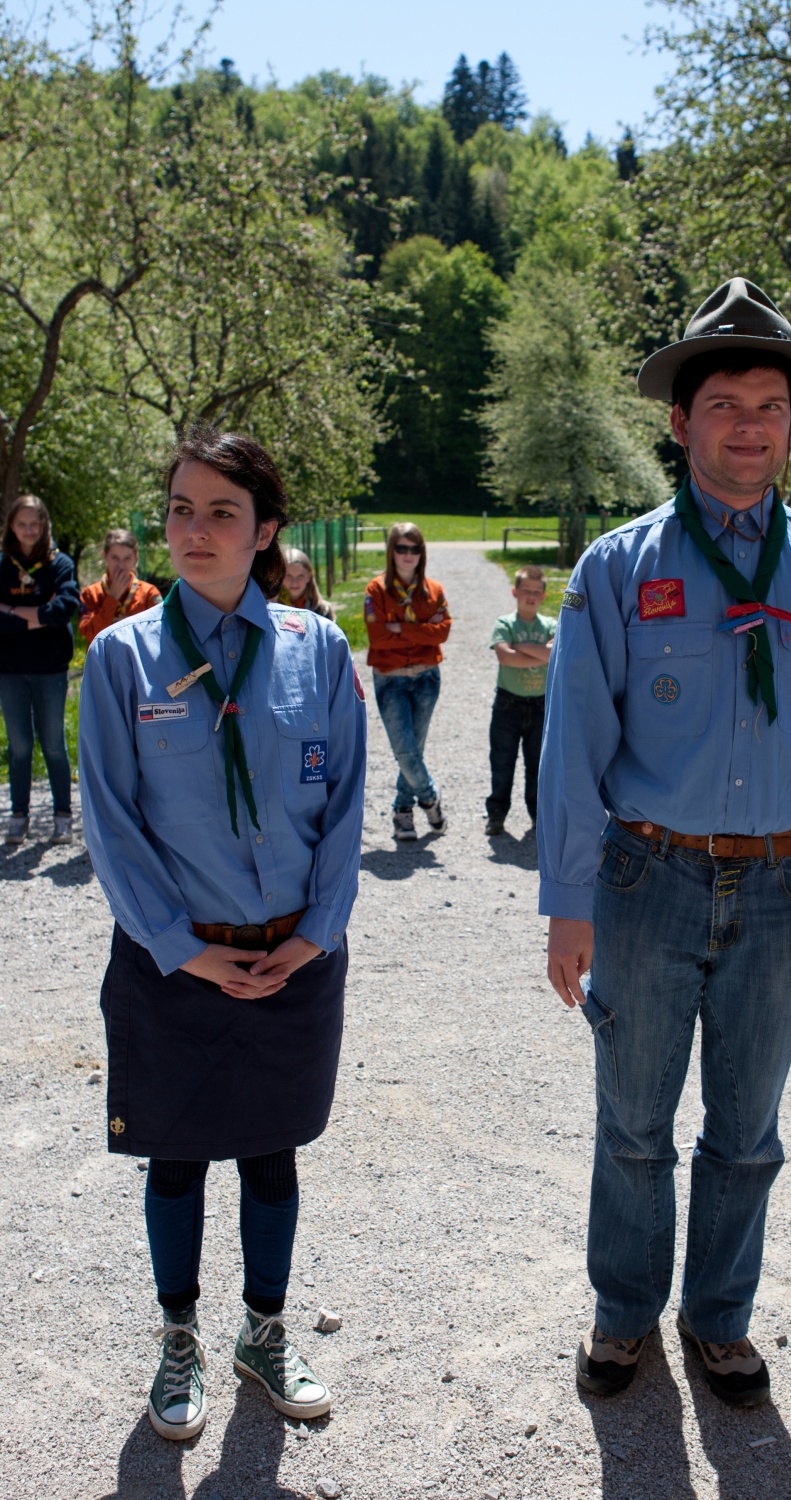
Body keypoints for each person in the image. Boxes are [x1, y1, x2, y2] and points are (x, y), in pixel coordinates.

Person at [538, 278, 791, 1408]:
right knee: (634, 1123)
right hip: (646, 875)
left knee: (746, 1134)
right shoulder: (618, 568)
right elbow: (573, 746)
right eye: (726, 403)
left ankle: (719, 1320)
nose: (750, 425)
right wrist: (569, 899)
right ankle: (621, 1313)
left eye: (771, 405)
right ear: (682, 421)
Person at [78, 429, 366, 1441]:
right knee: (175, 1158)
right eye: (180, 509)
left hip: (292, 954)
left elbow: (345, 812)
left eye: (221, 513)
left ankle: (264, 1329)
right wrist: (184, 947)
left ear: (267, 533)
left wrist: (315, 934)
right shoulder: (120, 658)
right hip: (173, 961)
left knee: (272, 1153)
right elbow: (109, 822)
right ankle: (176, 1337)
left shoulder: (317, 650)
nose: (194, 531)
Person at [0, 493, 80, 845]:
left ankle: (62, 815)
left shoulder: (60, 563)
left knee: (53, 745)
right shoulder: (2, 564)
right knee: (19, 747)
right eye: (22, 524)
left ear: (44, 525)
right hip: (11, 669)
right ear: (12, 527)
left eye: (35, 523)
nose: (29, 530)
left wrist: (14, 612)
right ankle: (19, 816)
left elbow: (65, 608)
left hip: (51, 669)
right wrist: (39, 616)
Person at [364, 521, 450, 841]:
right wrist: (424, 628)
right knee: (405, 750)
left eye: (415, 548)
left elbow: (444, 632)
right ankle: (429, 799)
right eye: (401, 548)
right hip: (391, 680)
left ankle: (403, 810)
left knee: (415, 748)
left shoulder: (434, 590)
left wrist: (399, 627)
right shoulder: (376, 590)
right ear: (391, 552)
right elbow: (378, 637)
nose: (408, 554)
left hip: (427, 677)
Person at [485, 565, 557, 836]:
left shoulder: (551, 624)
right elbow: (505, 657)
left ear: (544, 596)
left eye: (536, 592)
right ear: (515, 592)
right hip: (508, 705)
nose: (531, 596)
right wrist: (538, 652)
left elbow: (553, 655)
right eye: (525, 590)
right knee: (502, 760)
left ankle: (538, 815)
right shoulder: (505, 623)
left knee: (538, 764)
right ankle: (496, 814)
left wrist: (521, 647)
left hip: (541, 705)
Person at [79, 528, 163, 647]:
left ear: (135, 558)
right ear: (105, 556)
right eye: (115, 558)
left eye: (127, 558)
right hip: (103, 662)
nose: (121, 566)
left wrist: (131, 626)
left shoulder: (149, 593)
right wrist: (112, 599)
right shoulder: (90, 593)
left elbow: (161, 632)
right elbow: (88, 633)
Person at [280, 545, 336, 621]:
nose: (294, 582)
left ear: (309, 576)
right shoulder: (271, 608)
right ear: (279, 576)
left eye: (300, 576)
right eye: (288, 576)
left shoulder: (323, 611)